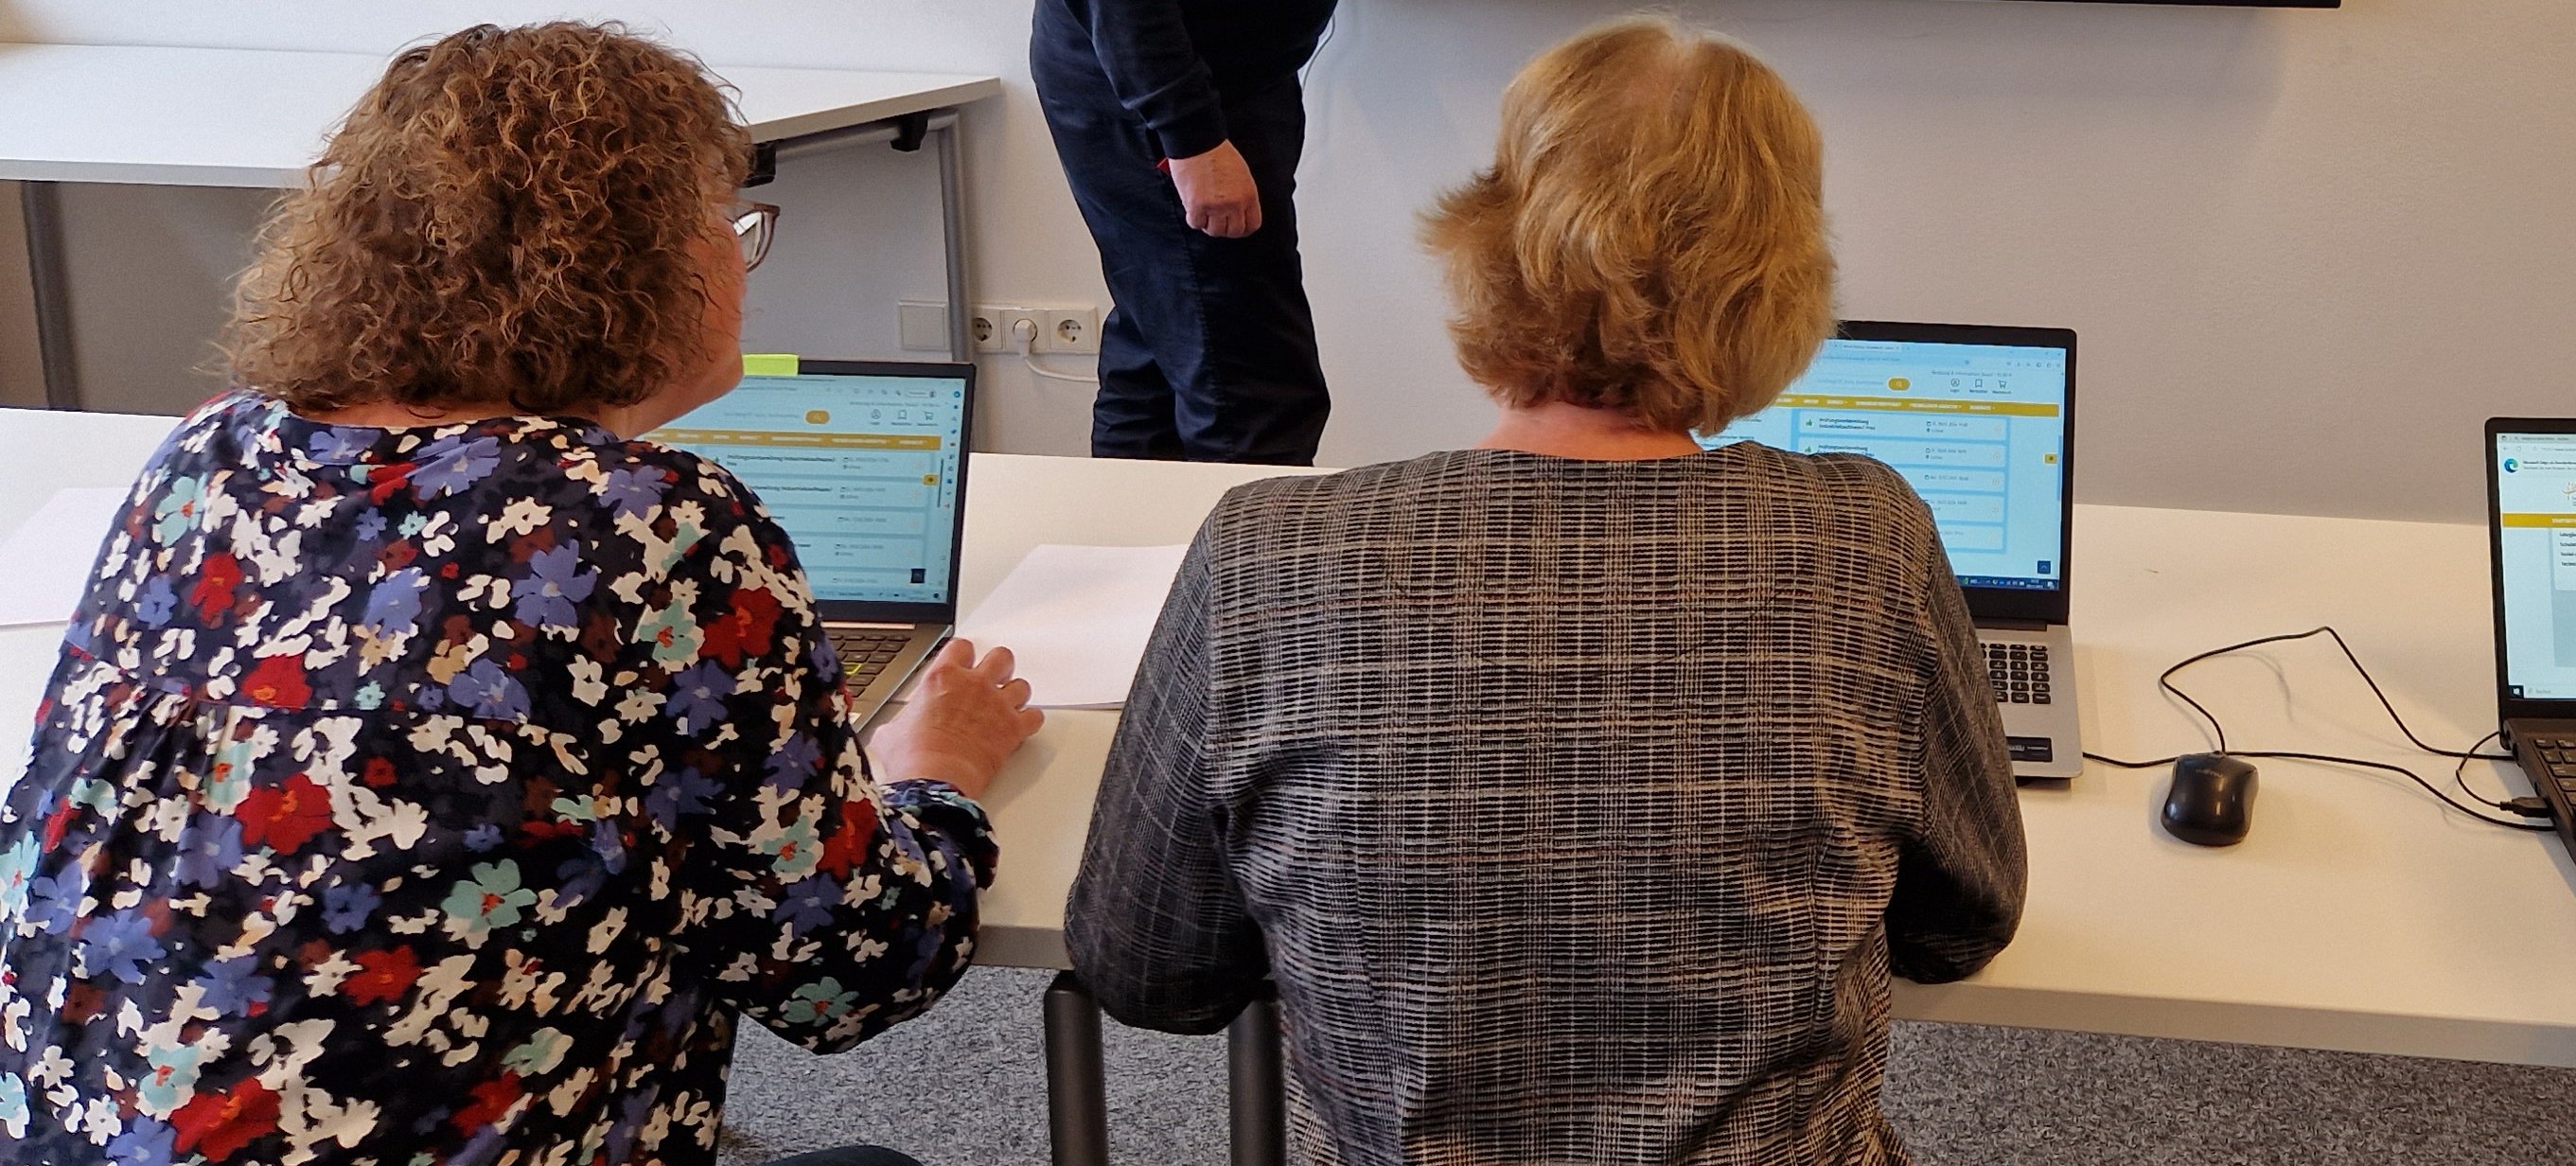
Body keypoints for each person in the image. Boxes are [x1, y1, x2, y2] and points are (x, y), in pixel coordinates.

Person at [0, 24, 1041, 1166]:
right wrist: (935, 774)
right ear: (638, 265)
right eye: (726, 224)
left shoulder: (210, 451)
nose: (741, 262)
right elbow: (852, 970)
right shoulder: (648, 522)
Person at [1066, 16, 2025, 1164]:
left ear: (1494, 233)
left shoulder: (1266, 548)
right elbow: (1961, 923)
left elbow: (1149, 970)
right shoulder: (1865, 539)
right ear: (1778, 275)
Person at [1032, 0, 1339, 465]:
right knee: (1247, 389)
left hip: (1207, 84)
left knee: (1160, 355)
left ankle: (1137, 514)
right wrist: (1190, 135)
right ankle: (1239, 517)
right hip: (1172, 98)